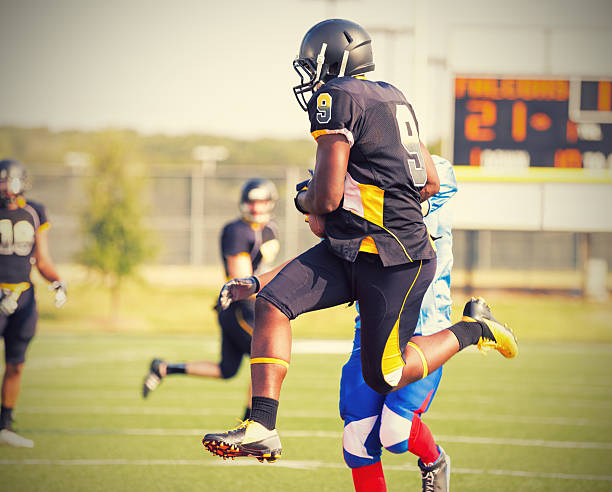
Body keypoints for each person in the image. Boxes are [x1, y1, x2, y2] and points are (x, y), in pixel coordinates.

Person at [202, 18, 517, 464]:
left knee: (385, 375)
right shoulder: (394, 96)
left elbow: (325, 199)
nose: (310, 76)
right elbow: (427, 181)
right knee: (273, 301)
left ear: (335, 59)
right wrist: (364, 200)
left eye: (313, 64)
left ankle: (473, 329)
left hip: (393, 258)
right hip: (355, 247)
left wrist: (303, 199)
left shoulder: (338, 96)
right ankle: (262, 427)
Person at [341, 155, 456, 492]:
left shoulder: (436, 170)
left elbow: (415, 203)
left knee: (396, 432)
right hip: (374, 324)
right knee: (356, 440)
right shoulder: (357, 168)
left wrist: (345, 194)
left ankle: (434, 461)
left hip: (424, 325)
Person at [142, 178, 280, 421]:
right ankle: (252, 423)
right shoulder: (237, 231)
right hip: (239, 306)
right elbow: (242, 280)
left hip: (248, 306)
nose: (257, 208)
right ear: (243, 203)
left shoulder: (270, 229)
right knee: (267, 356)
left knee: (226, 369)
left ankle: (164, 368)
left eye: (262, 202)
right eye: (252, 202)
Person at [0, 158, 67, 448]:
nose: (5, 185)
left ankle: (4, 425)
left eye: (8, 179)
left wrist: (57, 281)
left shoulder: (34, 212)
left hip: (24, 296)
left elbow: (42, 259)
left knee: (16, 364)